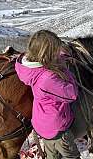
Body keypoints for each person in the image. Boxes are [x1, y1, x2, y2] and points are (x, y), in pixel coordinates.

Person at [15, 30, 81, 159]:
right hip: (57, 127)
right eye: (55, 51)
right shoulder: (47, 78)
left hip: (43, 122)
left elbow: (47, 63)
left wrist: (61, 56)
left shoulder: (29, 67)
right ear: (47, 53)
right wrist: (65, 69)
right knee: (72, 156)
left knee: (52, 155)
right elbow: (72, 94)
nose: (57, 53)